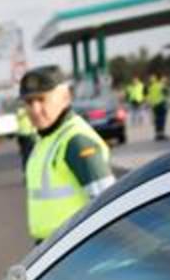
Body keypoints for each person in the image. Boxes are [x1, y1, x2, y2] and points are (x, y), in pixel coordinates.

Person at [19, 65, 115, 244]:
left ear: (65, 97)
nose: (35, 109)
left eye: (41, 99)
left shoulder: (76, 141)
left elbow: (109, 206)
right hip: (53, 249)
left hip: (78, 250)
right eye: (29, 102)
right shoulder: (45, 139)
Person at [148, 73, 170, 141]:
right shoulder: (161, 85)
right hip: (161, 104)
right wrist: (165, 84)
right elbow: (166, 93)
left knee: (157, 120)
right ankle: (162, 134)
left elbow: (149, 97)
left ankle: (157, 134)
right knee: (162, 119)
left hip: (154, 105)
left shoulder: (151, 87)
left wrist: (151, 105)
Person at [15, 105, 37, 173]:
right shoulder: (20, 110)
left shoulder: (31, 110)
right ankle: (27, 169)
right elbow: (20, 116)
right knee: (26, 153)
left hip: (30, 134)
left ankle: (30, 168)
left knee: (31, 153)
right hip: (25, 135)